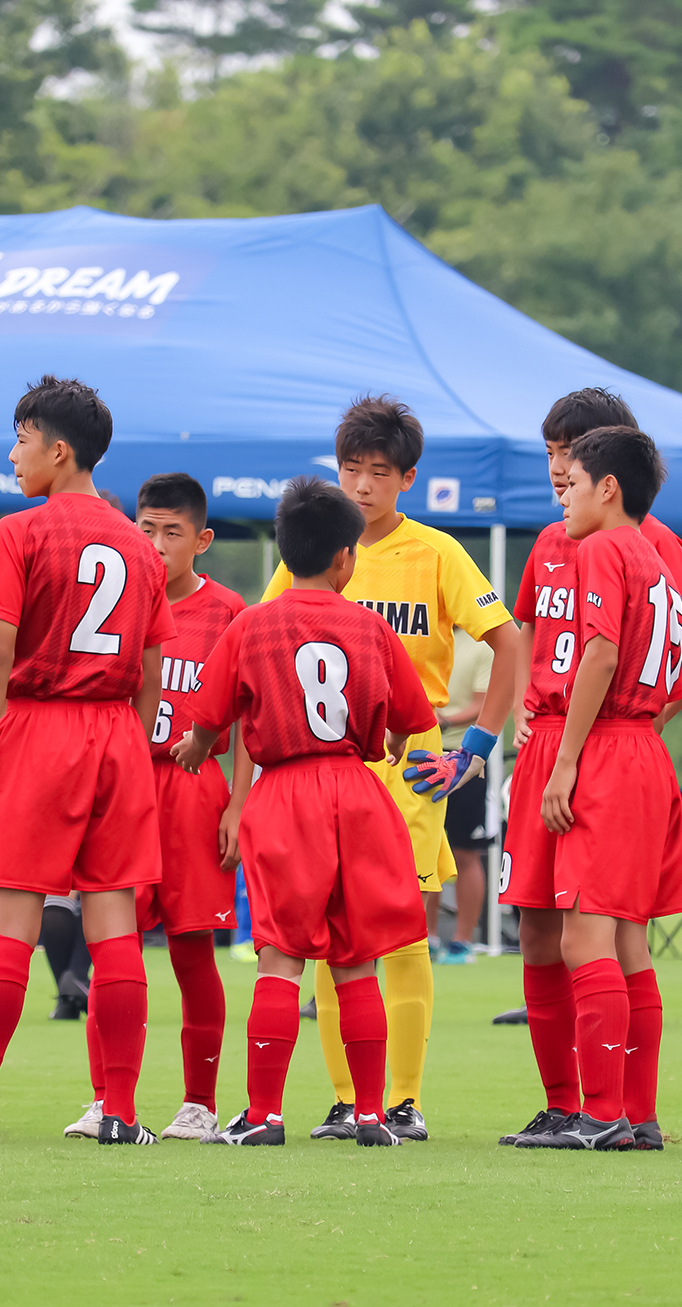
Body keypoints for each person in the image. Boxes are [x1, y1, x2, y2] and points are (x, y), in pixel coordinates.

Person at [263, 395, 522, 1144]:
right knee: (324, 932)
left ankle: (401, 1100)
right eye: (352, 469)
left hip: (407, 769)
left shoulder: (436, 553)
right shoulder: (310, 556)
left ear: (407, 478)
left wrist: (477, 748)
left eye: (379, 471)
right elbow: (267, 638)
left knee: (402, 936)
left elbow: (508, 643)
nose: (363, 485)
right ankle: (349, 1100)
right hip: (326, 767)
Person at [0, 375, 173, 1146]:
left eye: (22, 440)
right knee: (115, 927)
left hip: (41, 730)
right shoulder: (140, 542)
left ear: (58, 451)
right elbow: (153, 665)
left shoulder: (20, 532)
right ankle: (122, 1114)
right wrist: (127, 746)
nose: (13, 455)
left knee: (11, 923)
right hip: (117, 734)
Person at [172, 476, 433, 1147]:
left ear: (285, 555)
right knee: (358, 961)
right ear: (345, 557)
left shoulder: (251, 624)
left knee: (281, 958)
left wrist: (192, 751)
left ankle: (264, 1114)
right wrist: (392, 744)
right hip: (358, 791)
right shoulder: (372, 627)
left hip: (286, 793)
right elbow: (410, 721)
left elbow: (208, 721)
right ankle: (372, 1113)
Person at [491, 387, 682, 1025]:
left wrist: (661, 706)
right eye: (551, 452)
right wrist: (520, 707)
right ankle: (573, 1104)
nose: (559, 467)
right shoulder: (555, 536)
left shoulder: (641, 539)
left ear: (607, 473)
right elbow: (526, 624)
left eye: (570, 453)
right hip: (550, 738)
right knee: (540, 927)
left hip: (606, 739)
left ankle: (613, 1111)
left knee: (604, 933)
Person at [503, 426, 682, 1152]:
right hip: (639, 746)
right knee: (621, 938)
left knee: (583, 935)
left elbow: (603, 649)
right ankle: (631, 1113)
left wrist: (567, 759)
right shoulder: (653, 554)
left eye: (572, 480)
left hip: (597, 745)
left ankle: (599, 1111)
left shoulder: (606, 547)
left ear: (607, 486)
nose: (563, 493)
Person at [78, 470, 247, 1145]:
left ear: (200, 540)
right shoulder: (115, 600)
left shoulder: (229, 610)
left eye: (170, 532)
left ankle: (198, 1102)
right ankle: (103, 1097)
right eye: (144, 529)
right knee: (112, 945)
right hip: (124, 782)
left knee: (191, 946)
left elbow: (251, 718)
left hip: (194, 786)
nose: (154, 543)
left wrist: (239, 802)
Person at [433, 629, 494, 964]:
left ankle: (462, 941)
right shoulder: (425, 632)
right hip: (423, 753)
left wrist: (441, 720)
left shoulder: (482, 645)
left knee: (467, 853)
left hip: (466, 756)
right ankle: (426, 937)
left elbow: (481, 705)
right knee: (423, 847)